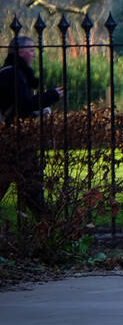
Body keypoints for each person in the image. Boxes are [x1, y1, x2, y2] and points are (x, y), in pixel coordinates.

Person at [0, 35, 64, 215]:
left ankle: (48, 228)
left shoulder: (10, 72)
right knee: (32, 187)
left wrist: (37, 111)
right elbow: (23, 104)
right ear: (20, 53)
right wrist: (51, 96)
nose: (34, 55)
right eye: (31, 50)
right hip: (13, 140)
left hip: (11, 139)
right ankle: (50, 229)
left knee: (30, 187)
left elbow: (16, 107)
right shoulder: (13, 74)